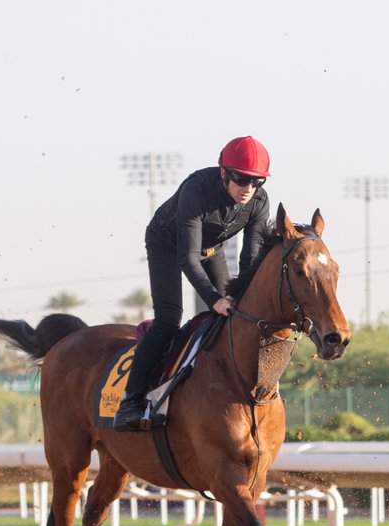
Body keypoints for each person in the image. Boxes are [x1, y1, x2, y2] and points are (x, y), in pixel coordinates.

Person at [113, 136, 273, 431]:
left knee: (233, 314)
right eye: (241, 180)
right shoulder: (196, 190)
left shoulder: (259, 202)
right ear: (224, 172)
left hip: (211, 249)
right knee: (170, 319)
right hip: (167, 244)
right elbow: (188, 257)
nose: (248, 189)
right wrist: (215, 299)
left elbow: (250, 261)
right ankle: (130, 401)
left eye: (256, 182)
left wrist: (236, 299)